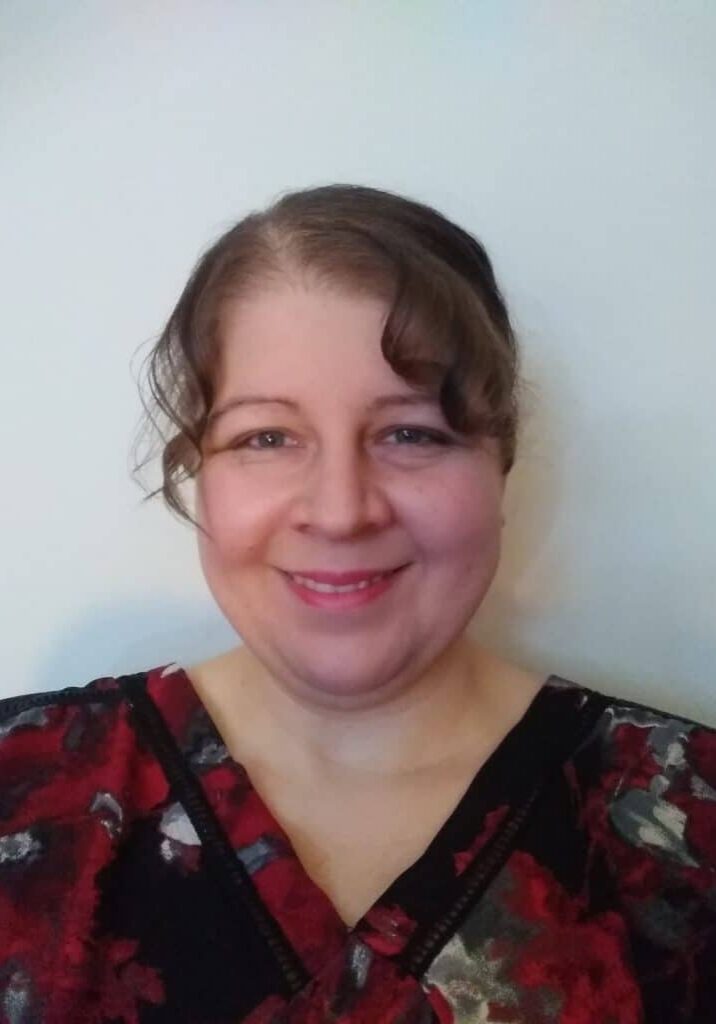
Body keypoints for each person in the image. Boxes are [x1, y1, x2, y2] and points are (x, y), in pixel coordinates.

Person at [0, 184, 714, 1024]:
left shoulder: (688, 827)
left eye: (412, 433)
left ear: (500, 468)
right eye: (266, 437)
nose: (341, 511)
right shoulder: (25, 788)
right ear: (200, 472)